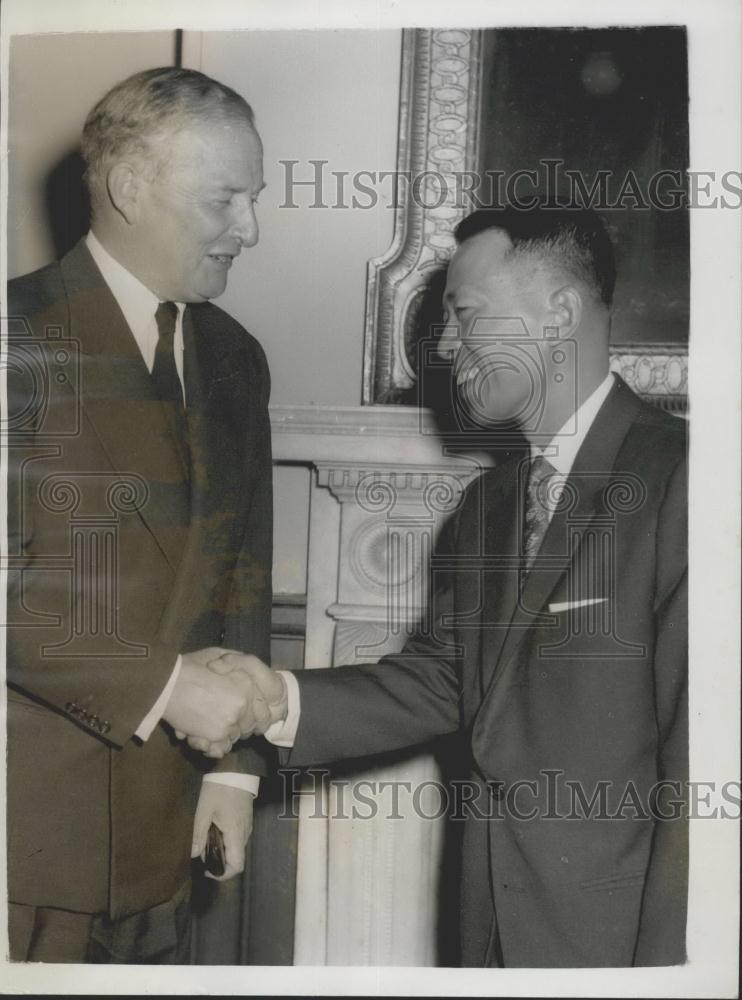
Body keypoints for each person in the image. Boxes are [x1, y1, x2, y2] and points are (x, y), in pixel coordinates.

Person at [204, 204, 688, 967]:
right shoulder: (487, 506)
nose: (446, 347)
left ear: (559, 312)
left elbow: (703, 781)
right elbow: (442, 682)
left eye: (465, 316)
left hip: (615, 949)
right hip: (486, 934)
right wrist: (273, 699)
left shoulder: (688, 481)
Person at [5, 67, 273, 963]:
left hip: (168, 851)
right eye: (225, 199)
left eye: (256, 198)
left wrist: (236, 770)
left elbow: (246, 576)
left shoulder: (238, 359)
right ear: (128, 188)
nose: (253, 230)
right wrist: (167, 687)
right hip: (28, 855)